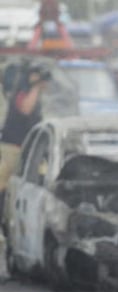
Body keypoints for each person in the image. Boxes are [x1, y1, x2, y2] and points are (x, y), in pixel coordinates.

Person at [0, 63, 49, 279]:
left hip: (26, 150)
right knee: (5, 192)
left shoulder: (32, 93)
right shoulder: (22, 93)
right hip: (13, 150)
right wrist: (36, 87)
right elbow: (26, 109)